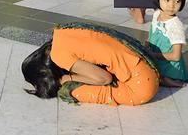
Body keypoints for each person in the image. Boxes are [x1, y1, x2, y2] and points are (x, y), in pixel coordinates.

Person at [22, 22, 159, 106]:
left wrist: (68, 78)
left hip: (142, 86)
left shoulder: (59, 57)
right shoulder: (60, 33)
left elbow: (105, 78)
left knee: (72, 90)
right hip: (146, 61)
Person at [147, 0, 188, 87]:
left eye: (177, 1)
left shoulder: (175, 26)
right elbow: (152, 33)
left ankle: (174, 81)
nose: (172, 6)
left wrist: (154, 55)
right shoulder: (157, 14)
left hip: (170, 67)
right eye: (167, 0)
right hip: (157, 59)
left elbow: (176, 56)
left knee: (152, 78)